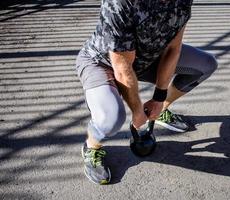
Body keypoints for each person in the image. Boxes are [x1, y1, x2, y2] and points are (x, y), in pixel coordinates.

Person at [75, 0, 217, 184]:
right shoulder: (121, 3)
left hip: (147, 60)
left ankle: (160, 112)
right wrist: (137, 111)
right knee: (111, 118)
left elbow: (173, 49)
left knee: (206, 64)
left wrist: (159, 98)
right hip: (102, 63)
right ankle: (91, 147)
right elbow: (122, 67)